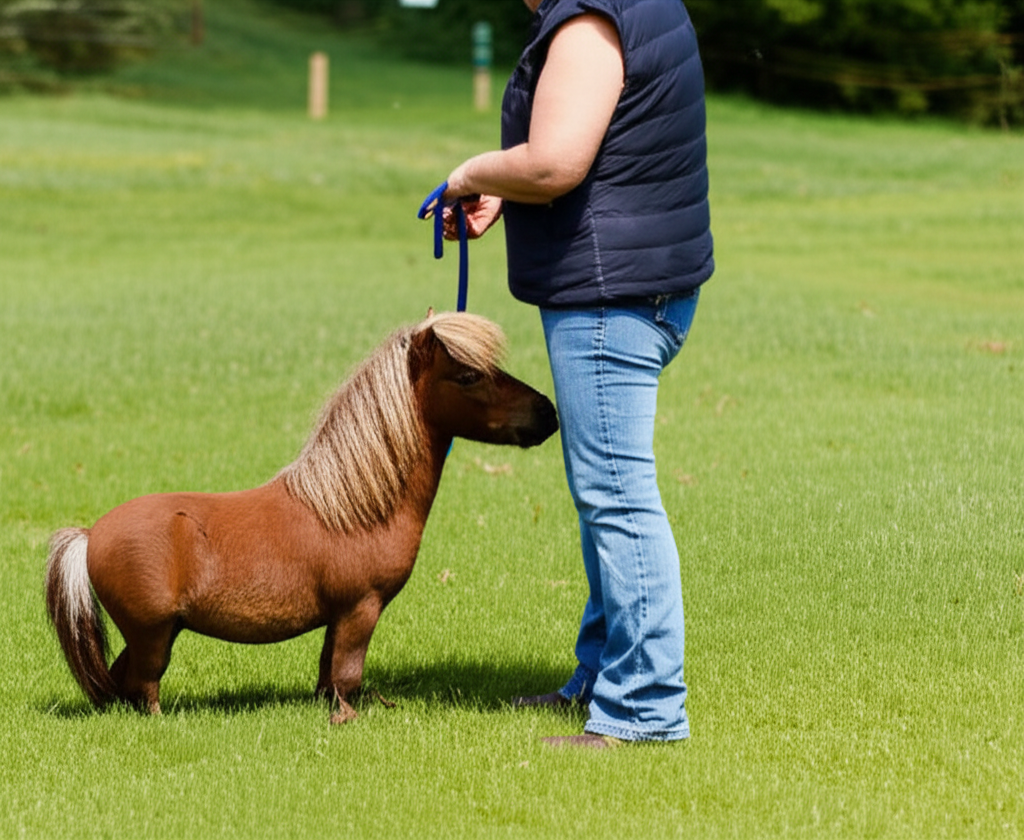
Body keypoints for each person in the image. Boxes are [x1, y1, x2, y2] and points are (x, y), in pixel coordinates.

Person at [435, 0, 713, 747]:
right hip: (638, 284)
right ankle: (604, 677)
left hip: (607, 298)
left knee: (616, 496)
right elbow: (605, 143)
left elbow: (558, 161)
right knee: (606, 496)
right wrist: (508, 187)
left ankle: (646, 709)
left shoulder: (588, 22)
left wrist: (472, 170)